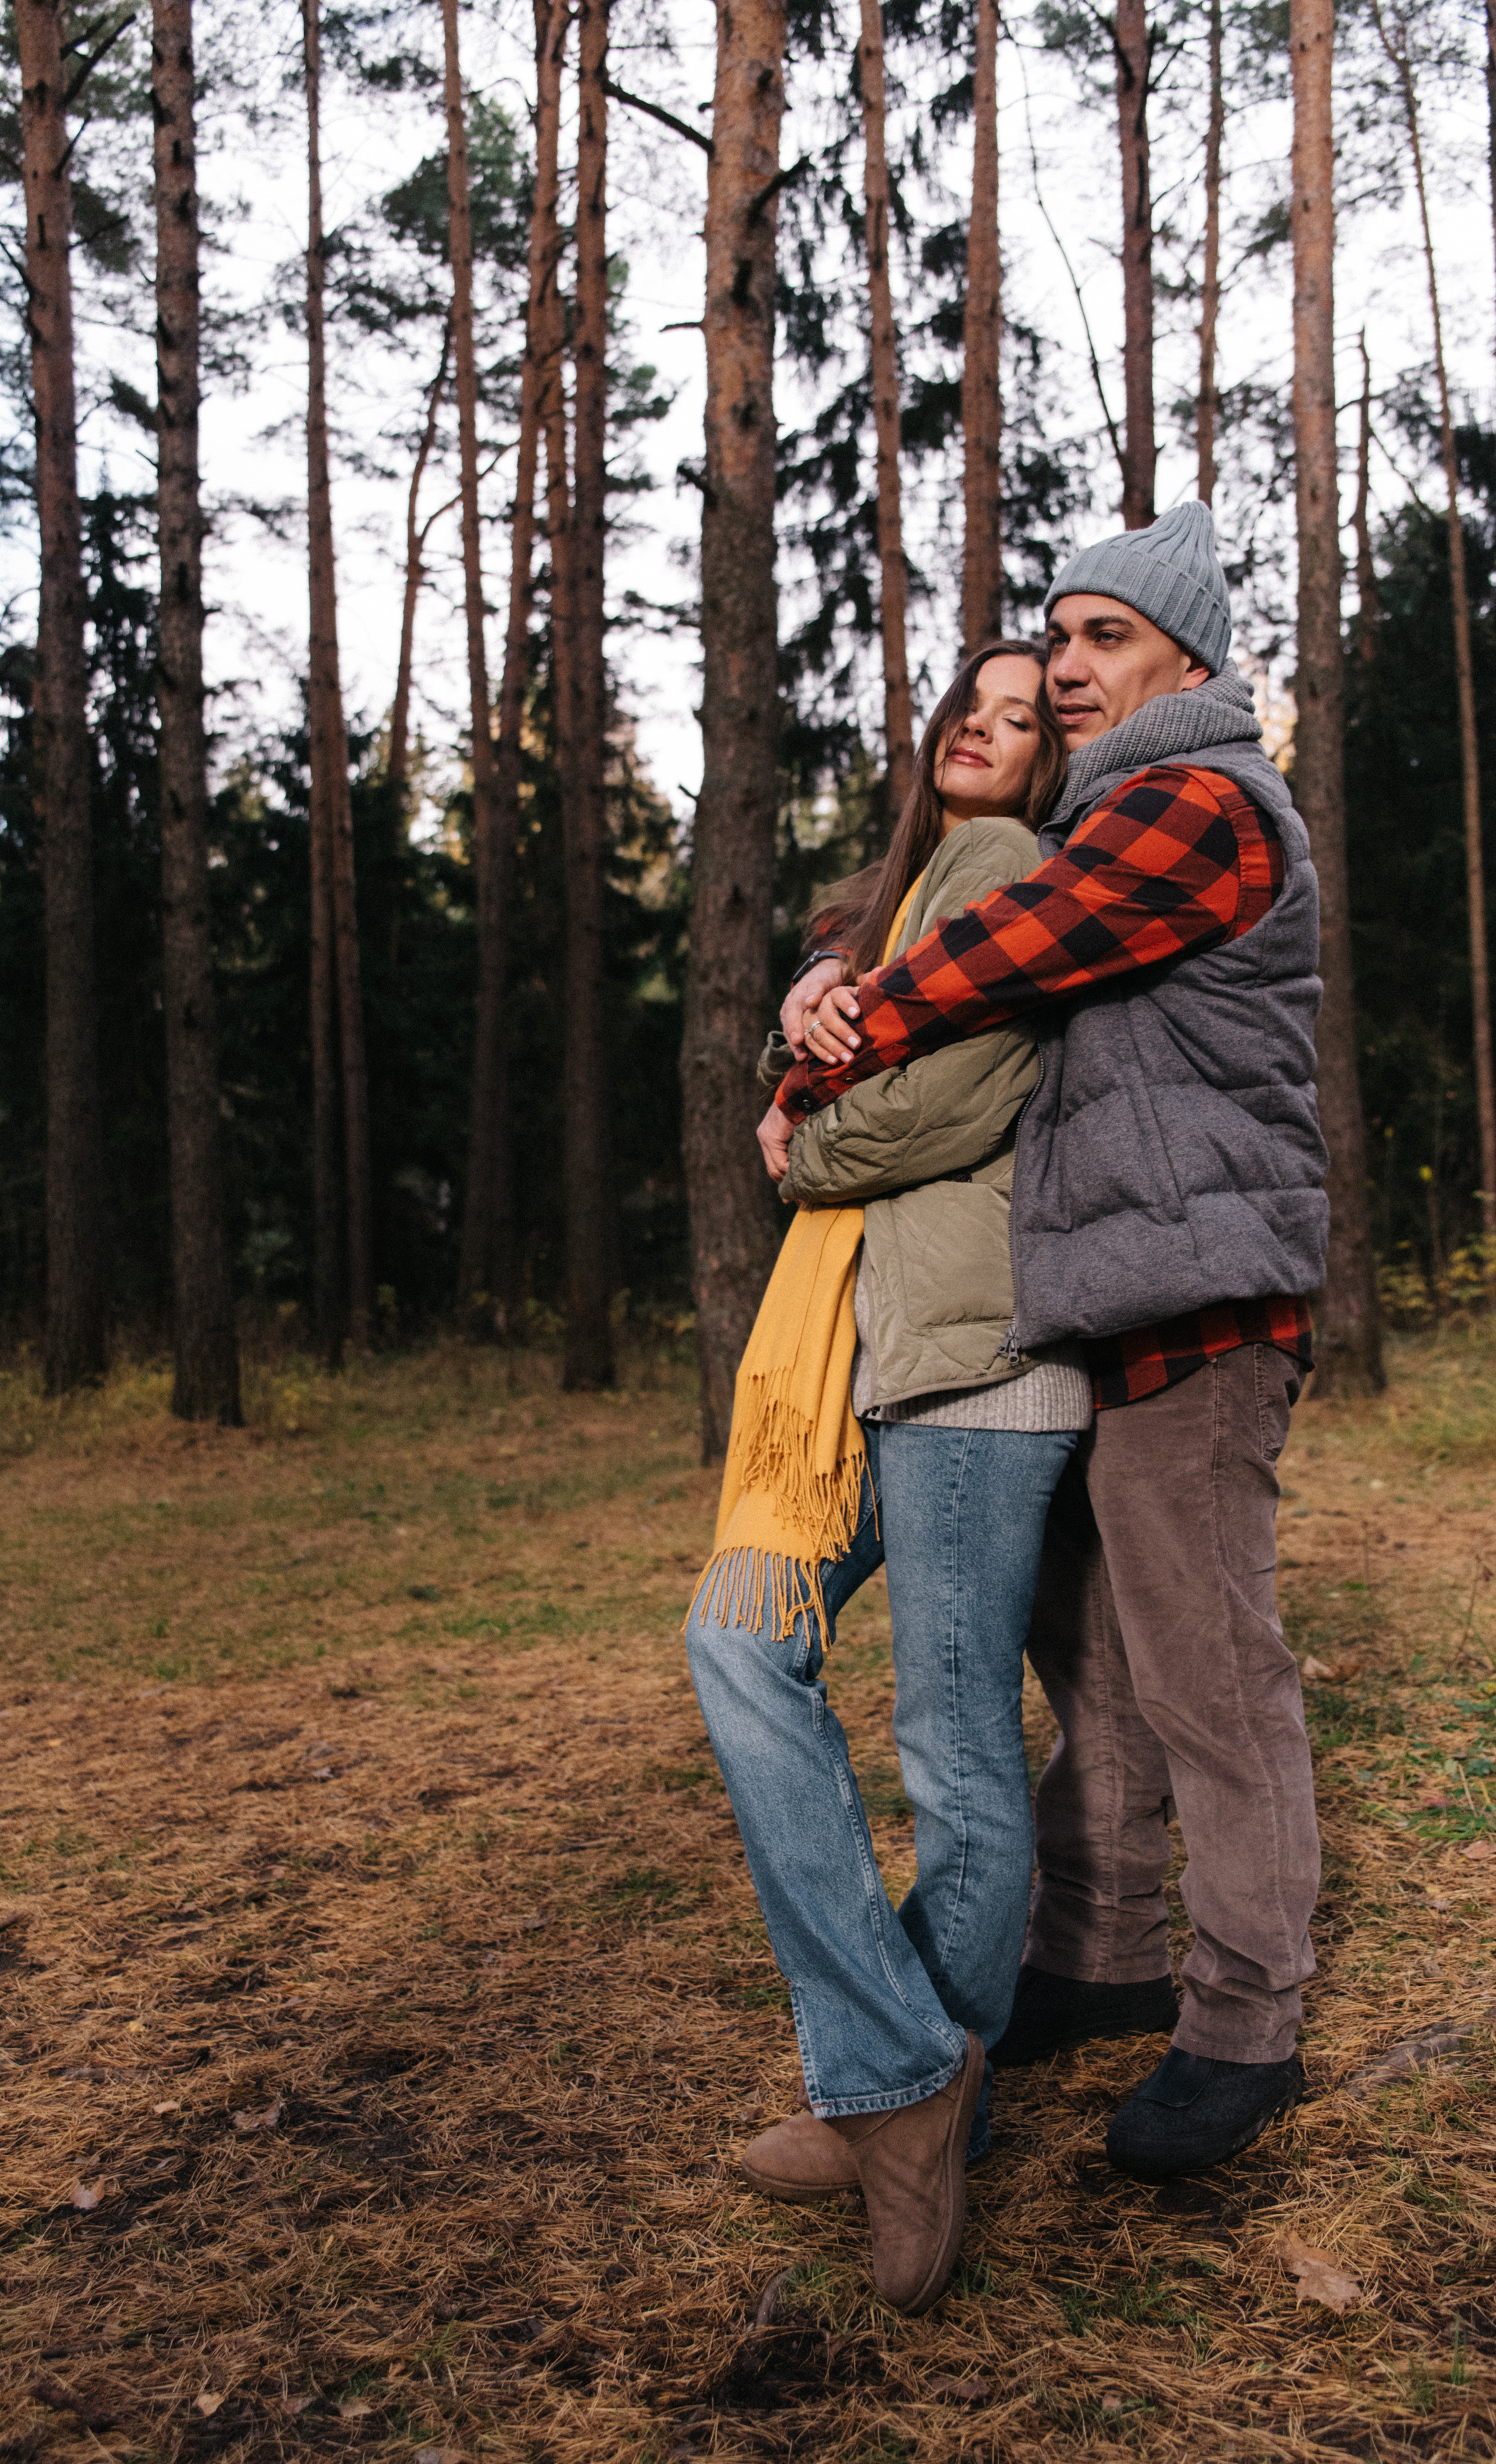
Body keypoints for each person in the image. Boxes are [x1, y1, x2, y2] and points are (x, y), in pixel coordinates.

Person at [769, 501, 1327, 2185]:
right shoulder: (1105, 816)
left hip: (1198, 1312)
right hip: (1091, 1316)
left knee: (1210, 1679)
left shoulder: (1199, 806)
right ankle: (1099, 1954)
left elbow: (1011, 948)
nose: (1069, 666)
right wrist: (831, 973)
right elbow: (972, 959)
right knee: (1092, 1666)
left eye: (1102, 639)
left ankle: (1245, 2020)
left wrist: (834, 1031)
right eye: (1056, 634)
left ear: (1187, 661)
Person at [687, 641, 1082, 2318]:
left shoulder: (1008, 868)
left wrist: (806, 1140)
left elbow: (956, 1099)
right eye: (966, 713)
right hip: (887, 1355)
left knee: (953, 1745)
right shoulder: (913, 887)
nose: (988, 734)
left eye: (1023, 717)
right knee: (740, 1645)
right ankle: (906, 2070)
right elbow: (865, 1046)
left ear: (1051, 761)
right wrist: (809, 1029)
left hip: (979, 1356)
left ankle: (907, 2102)